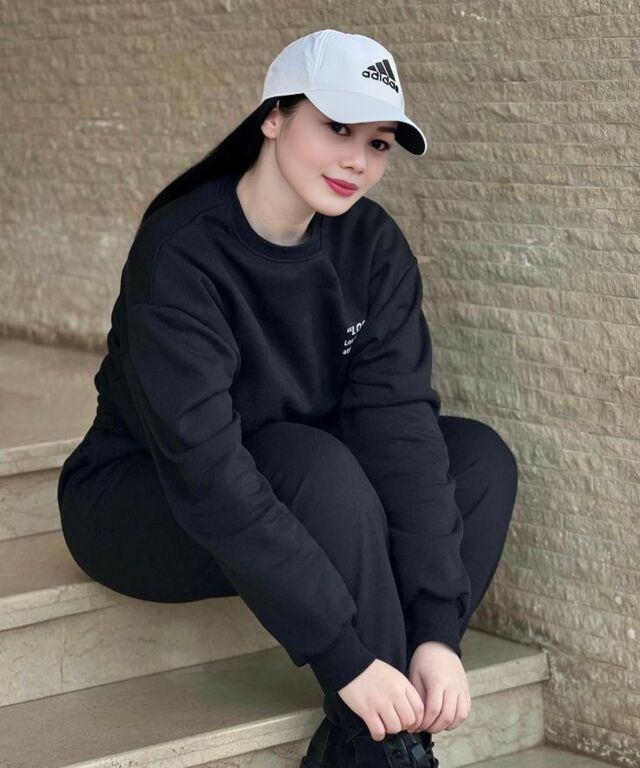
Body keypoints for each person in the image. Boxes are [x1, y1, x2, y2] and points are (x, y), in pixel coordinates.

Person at [57, 29, 518, 768]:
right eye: (337, 128)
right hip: (145, 501)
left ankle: (371, 735)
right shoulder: (181, 252)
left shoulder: (372, 247)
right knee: (314, 463)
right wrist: (346, 657)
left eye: (378, 143)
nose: (357, 161)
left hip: (306, 486)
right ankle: (387, 747)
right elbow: (210, 474)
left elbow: (398, 427)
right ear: (274, 116)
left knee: (479, 460)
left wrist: (438, 631)